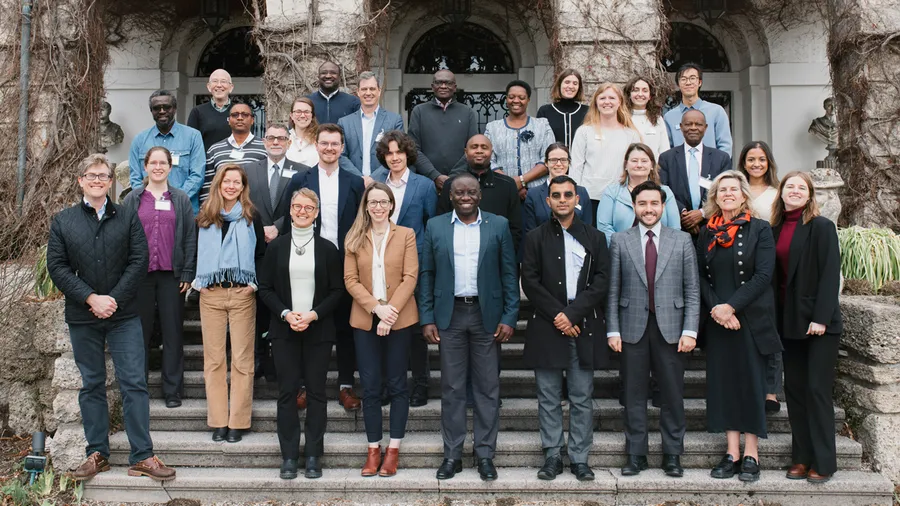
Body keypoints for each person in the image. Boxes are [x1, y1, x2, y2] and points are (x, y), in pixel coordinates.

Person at [47, 153, 175, 481]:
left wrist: (113, 300)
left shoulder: (128, 216)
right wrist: (90, 298)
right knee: (91, 384)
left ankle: (142, 457)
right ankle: (97, 454)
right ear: (80, 181)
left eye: (103, 176)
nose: (97, 180)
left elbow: (139, 260)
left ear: (110, 181)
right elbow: (57, 267)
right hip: (83, 314)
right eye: (91, 175)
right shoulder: (64, 221)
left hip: (123, 315)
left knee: (134, 382)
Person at [419, 172, 520, 482]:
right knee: (451, 388)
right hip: (449, 316)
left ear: (479, 195)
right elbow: (427, 274)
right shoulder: (435, 226)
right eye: (459, 192)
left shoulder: (498, 225)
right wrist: (427, 317)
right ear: (450, 196)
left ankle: (485, 454)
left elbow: (508, 274)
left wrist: (509, 316)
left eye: (471, 192)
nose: (466, 196)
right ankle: (452, 454)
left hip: (485, 315)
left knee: (488, 388)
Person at [607, 180, 700, 479]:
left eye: (654, 204)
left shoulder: (682, 240)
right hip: (632, 327)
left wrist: (690, 330)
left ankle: (672, 454)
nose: (649, 209)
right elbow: (612, 290)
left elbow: (692, 291)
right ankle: (636, 454)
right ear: (634, 207)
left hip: (672, 329)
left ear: (663, 206)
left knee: (672, 394)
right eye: (643, 204)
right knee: (633, 393)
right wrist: (612, 330)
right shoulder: (620, 240)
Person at [521, 175, 609, 482]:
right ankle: (552, 456)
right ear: (548, 201)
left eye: (567, 195)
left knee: (582, 395)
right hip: (547, 325)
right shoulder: (534, 238)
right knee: (547, 395)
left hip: (583, 323)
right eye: (556, 195)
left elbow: (601, 281)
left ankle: (580, 458)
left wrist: (572, 314)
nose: (562, 199)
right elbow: (529, 282)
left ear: (576, 199)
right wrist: (560, 315)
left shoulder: (595, 237)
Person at [697, 171, 782, 482]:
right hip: (720, 320)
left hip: (750, 318)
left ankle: (751, 453)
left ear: (744, 195)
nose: (727, 194)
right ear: (715, 197)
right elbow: (700, 277)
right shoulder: (707, 232)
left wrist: (731, 306)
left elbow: (763, 275)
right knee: (725, 386)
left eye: (733, 189)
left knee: (751, 384)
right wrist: (718, 310)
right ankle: (731, 452)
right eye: (722, 190)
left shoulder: (760, 229)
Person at [258, 189, 345, 480]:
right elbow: (266, 287)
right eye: (297, 206)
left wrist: (312, 314)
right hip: (284, 330)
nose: (302, 211)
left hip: (318, 329)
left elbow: (337, 291)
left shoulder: (328, 248)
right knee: (286, 393)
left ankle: (313, 456)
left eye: (309, 207)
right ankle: (289, 456)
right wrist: (286, 313)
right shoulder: (276, 247)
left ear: (317, 212)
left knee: (318, 394)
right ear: (291, 210)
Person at [280, 123, 366, 411]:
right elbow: (287, 220)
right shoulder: (300, 180)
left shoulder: (355, 183)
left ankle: (345, 385)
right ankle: (303, 385)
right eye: (325, 143)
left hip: (344, 263)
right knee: (306, 324)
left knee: (344, 325)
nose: (330, 148)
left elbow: (361, 225)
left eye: (335, 144)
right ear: (316, 145)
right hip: (306, 262)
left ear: (342, 148)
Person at [770, 171, 842, 484]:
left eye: (802, 187)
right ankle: (801, 457)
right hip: (788, 320)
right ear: (781, 192)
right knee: (795, 391)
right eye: (790, 186)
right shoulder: (772, 230)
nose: (795, 191)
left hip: (819, 323)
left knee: (817, 390)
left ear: (809, 194)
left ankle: (823, 460)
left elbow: (830, 274)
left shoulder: (821, 227)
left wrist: (821, 318)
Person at [344, 183, 419, 478]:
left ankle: (393, 450)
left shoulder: (406, 235)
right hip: (365, 318)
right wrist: (377, 309)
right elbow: (350, 280)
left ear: (391, 205)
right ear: (366, 205)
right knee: (371, 386)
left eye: (383, 202)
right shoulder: (354, 236)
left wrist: (391, 313)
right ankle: (373, 449)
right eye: (372, 202)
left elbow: (410, 276)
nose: (378, 207)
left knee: (399, 384)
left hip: (399, 319)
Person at [194, 164, 266, 444]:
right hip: (211, 294)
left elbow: (261, 253)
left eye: (237, 182)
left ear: (243, 186)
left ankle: (238, 421)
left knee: (242, 360)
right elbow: (194, 248)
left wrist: (254, 283)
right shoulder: (204, 215)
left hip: (241, 294)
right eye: (227, 181)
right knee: (213, 361)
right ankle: (218, 421)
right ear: (219, 184)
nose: (232, 186)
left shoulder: (250, 216)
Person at [122, 147, 197, 409]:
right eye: (152, 162)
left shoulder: (181, 199)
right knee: (138, 334)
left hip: (171, 276)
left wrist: (188, 272)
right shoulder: (133, 199)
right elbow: (123, 237)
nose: (157, 167)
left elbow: (189, 236)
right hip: (139, 276)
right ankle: (137, 389)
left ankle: (173, 390)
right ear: (145, 167)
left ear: (169, 166)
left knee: (173, 332)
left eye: (162, 162)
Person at [372, 131, 438, 407]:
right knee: (384, 326)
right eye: (389, 153)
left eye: (399, 152)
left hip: (416, 265)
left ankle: (420, 384)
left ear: (408, 154)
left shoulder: (424, 186)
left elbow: (431, 225)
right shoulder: (376, 185)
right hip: (382, 264)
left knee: (413, 328)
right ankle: (389, 384)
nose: (395, 157)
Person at [245, 123, 311, 384]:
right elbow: (243, 203)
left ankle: (278, 360)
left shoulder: (302, 171)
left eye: (281, 138)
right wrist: (261, 228)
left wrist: (278, 227)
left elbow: (305, 203)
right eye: (271, 138)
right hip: (255, 249)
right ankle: (259, 358)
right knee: (259, 306)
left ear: (289, 142)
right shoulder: (248, 170)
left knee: (282, 303)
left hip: (288, 247)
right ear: (264, 141)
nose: (275, 142)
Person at [737, 141, 782, 413]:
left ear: (768, 163)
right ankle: (747, 384)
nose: (756, 164)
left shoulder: (777, 193)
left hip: (768, 264)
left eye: (761, 159)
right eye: (751, 159)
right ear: (743, 162)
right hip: (739, 265)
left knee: (769, 329)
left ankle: (771, 391)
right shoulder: (735, 189)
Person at [569, 83, 642, 218]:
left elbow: (637, 168)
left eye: (612, 98)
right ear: (596, 102)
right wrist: (575, 196)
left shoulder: (631, 135)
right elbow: (576, 167)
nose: (607, 102)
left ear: (619, 102)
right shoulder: (584, 132)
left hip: (621, 198)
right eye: (602, 98)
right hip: (590, 198)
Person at [438, 135, 522, 250]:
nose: (479, 151)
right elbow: (441, 223)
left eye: (484, 147)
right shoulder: (451, 184)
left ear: (491, 152)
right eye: (474, 147)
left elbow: (516, 228)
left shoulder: (507, 185)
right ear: (466, 152)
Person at [129, 90, 205, 213]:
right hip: (149, 210)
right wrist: (151, 200)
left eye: (167, 107)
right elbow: (135, 178)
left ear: (174, 109)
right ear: (151, 111)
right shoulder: (139, 140)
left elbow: (197, 175)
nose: (162, 111)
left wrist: (174, 199)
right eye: (157, 108)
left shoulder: (193, 136)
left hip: (184, 208)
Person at [658, 110, 732, 236]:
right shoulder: (666, 158)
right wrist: (684, 214)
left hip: (713, 228)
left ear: (705, 127)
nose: (693, 128)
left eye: (698, 124)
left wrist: (702, 213)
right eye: (688, 124)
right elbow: (663, 189)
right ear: (681, 127)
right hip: (677, 227)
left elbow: (725, 191)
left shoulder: (721, 158)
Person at [408, 69, 480, 192]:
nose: (443, 86)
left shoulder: (467, 113)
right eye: (438, 82)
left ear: (455, 87)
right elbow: (414, 149)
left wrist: (452, 178)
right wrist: (435, 175)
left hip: (461, 184)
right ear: (432, 86)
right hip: (426, 183)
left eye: (448, 83)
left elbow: (472, 150)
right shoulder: (419, 111)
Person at [597, 143, 680, 242]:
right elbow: (604, 226)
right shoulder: (612, 192)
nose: (639, 165)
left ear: (652, 165)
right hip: (620, 251)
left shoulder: (665, 192)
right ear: (626, 165)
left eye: (644, 161)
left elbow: (675, 228)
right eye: (634, 161)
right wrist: (621, 248)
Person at [484, 80, 555, 194]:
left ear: (528, 100)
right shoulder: (492, 128)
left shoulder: (542, 125)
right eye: (512, 97)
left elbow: (549, 158)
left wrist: (521, 181)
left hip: (538, 192)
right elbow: (488, 160)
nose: (516, 101)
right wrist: (510, 184)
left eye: (521, 97)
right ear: (506, 99)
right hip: (502, 192)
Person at [338, 71, 404, 180]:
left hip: (384, 183)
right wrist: (360, 179)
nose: (368, 93)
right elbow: (340, 155)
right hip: (353, 183)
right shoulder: (344, 123)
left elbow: (398, 153)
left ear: (379, 91)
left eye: (372, 89)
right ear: (358, 92)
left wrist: (373, 178)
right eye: (364, 89)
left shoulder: (394, 120)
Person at [200, 102, 268, 204]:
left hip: (254, 211)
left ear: (252, 120)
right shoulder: (215, 149)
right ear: (229, 120)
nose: (240, 118)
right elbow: (208, 185)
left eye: (245, 115)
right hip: (221, 212)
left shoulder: (265, 147)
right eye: (235, 115)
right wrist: (206, 211)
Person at [663, 63, 733, 157]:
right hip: (680, 170)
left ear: (699, 82)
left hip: (711, 169)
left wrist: (718, 168)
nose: (688, 82)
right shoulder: (669, 117)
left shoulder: (716, 111)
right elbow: (667, 149)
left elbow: (725, 146)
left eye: (692, 78)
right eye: (683, 79)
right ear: (678, 84)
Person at [523, 143, 592, 237]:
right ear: (546, 163)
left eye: (563, 160)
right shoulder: (533, 194)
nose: (559, 164)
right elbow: (530, 233)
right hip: (544, 248)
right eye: (553, 160)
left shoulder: (582, 192)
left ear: (569, 162)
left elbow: (588, 229)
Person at [537, 69, 588, 147]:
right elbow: (539, 142)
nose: (571, 86)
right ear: (559, 84)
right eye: (567, 82)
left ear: (579, 88)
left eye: (575, 83)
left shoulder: (587, 111)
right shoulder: (545, 111)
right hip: (553, 159)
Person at [624, 76, 670, 160]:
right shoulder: (621, 118)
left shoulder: (658, 119)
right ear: (629, 94)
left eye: (645, 91)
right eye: (636, 90)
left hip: (653, 171)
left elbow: (664, 151)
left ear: (650, 96)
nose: (640, 94)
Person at [187, 69, 234, 150]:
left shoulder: (240, 112)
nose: (219, 85)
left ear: (231, 87)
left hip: (233, 162)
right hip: (206, 161)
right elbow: (190, 143)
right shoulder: (197, 112)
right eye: (215, 81)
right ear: (209, 87)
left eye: (223, 81)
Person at [285, 97, 320, 167]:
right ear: (291, 115)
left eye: (306, 112)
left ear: (312, 115)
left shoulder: (320, 139)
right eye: (298, 112)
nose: (302, 116)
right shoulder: (284, 138)